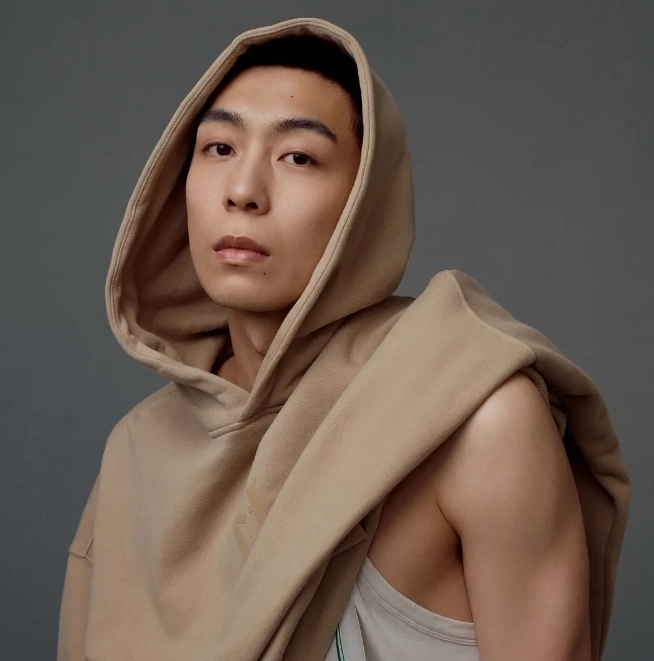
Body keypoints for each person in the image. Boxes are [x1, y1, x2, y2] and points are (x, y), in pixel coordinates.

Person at [57, 18, 630, 661]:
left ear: (365, 203)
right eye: (218, 148)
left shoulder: (479, 423)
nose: (242, 191)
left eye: (298, 157)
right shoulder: (139, 453)